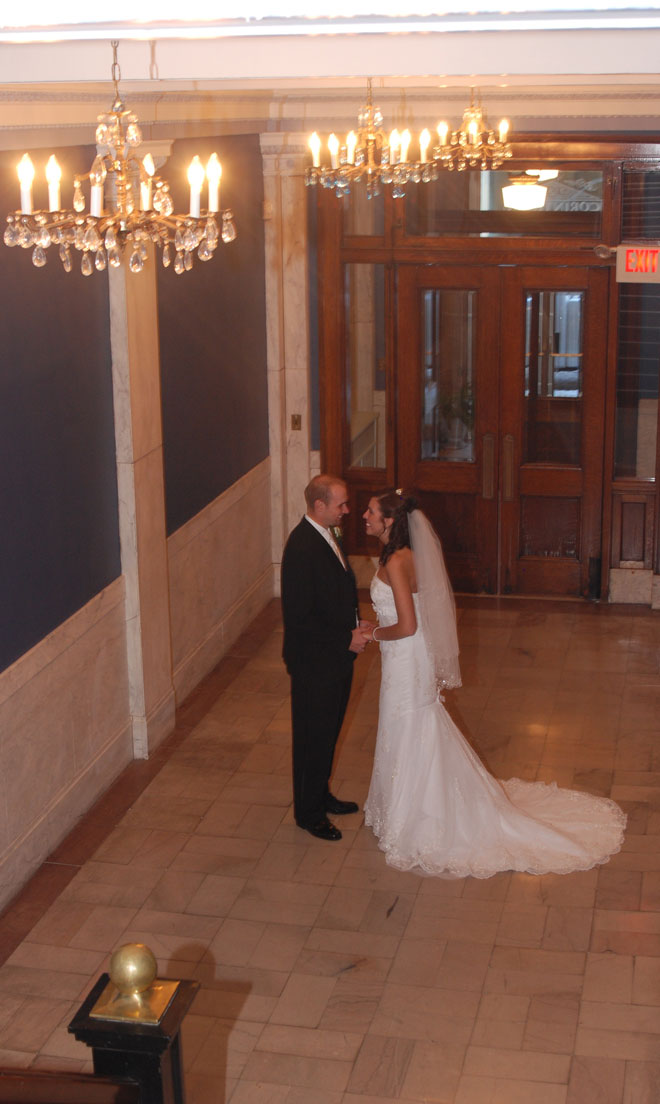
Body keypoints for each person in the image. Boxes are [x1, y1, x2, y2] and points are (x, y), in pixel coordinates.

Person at [361, 488, 626, 878]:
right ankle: (406, 807)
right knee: (410, 726)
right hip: (406, 658)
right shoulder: (402, 556)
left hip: (404, 658)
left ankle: (417, 817)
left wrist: (371, 635)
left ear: (389, 522)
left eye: (370, 512)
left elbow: (407, 625)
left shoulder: (398, 562)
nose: (364, 516)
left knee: (406, 725)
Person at [281, 474, 370, 841]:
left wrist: (355, 620)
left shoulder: (328, 534)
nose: (347, 510)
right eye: (341, 504)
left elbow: (337, 590)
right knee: (312, 736)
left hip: (335, 656)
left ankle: (320, 793)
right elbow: (300, 618)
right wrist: (344, 638)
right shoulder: (302, 548)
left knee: (328, 732)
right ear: (319, 506)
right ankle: (309, 813)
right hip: (314, 661)